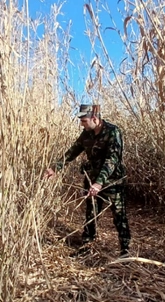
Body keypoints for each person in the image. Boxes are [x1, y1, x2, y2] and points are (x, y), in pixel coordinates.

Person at [45, 104, 131, 257]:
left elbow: (112, 160)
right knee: (91, 214)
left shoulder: (113, 132)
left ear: (95, 118)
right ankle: (87, 246)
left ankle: (125, 250)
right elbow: (72, 152)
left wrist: (99, 182)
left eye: (84, 120)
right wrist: (55, 168)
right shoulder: (86, 133)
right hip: (91, 180)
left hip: (112, 181)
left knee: (119, 215)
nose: (82, 124)